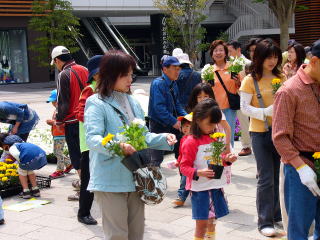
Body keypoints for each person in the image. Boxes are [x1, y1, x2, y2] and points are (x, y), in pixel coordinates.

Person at [84, 50, 177, 240]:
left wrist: (164, 138)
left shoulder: (133, 102)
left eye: (131, 74)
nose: (130, 79)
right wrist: (119, 146)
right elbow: (92, 138)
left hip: (136, 176)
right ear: (110, 75)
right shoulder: (96, 102)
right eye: (125, 74)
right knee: (117, 234)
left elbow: (142, 135)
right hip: (110, 178)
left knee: (136, 232)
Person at [272, 39, 320, 240]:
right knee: (299, 229)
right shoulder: (289, 90)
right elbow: (280, 137)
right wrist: (301, 168)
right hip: (302, 166)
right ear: (315, 61)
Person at [239, 39, 286, 237]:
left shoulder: (281, 77)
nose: (272, 61)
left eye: (275, 57)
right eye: (268, 56)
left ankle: (277, 215)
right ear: (259, 57)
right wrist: (265, 111)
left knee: (277, 176)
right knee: (265, 178)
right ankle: (264, 221)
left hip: (280, 133)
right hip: (259, 133)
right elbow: (244, 107)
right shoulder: (250, 80)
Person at [180, 99, 237, 240]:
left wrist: (228, 160)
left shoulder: (215, 138)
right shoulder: (191, 141)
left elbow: (219, 160)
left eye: (215, 124)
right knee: (201, 224)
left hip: (215, 186)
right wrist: (197, 172)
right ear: (198, 120)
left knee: (212, 221)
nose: (213, 127)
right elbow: (183, 167)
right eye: (210, 124)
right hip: (200, 189)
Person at [51, 46, 88, 201]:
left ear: (57, 60)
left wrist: (58, 120)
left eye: (55, 63)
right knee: (88, 155)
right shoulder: (85, 69)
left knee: (76, 156)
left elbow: (63, 101)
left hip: (73, 121)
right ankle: (91, 187)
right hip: (88, 118)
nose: (56, 66)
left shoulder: (64, 74)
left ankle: (83, 191)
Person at [75, 55, 102, 225]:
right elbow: (80, 113)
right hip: (89, 144)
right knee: (88, 180)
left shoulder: (103, 89)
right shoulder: (90, 90)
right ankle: (83, 213)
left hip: (100, 142)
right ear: (96, 74)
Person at [148, 56, 187, 166]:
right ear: (165, 69)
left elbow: (177, 104)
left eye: (179, 68)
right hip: (159, 125)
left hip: (172, 123)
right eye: (175, 68)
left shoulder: (173, 83)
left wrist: (187, 117)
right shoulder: (158, 83)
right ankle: (154, 182)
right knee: (156, 159)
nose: (178, 71)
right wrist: (174, 121)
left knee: (181, 155)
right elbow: (159, 108)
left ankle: (184, 183)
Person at [209, 40, 241, 148]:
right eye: (215, 50)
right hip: (214, 109)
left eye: (221, 50)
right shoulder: (208, 70)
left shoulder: (233, 67)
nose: (218, 53)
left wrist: (238, 82)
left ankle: (228, 161)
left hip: (229, 108)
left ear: (225, 53)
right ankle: (216, 161)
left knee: (228, 135)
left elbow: (240, 86)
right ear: (212, 54)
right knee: (214, 136)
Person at [186, 83, 231, 153]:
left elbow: (227, 128)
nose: (202, 99)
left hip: (218, 144)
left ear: (211, 96)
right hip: (202, 145)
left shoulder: (215, 110)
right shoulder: (196, 112)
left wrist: (227, 146)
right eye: (199, 97)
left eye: (205, 96)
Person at [0, 134, 47, 199]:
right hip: (41, 156)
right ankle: (36, 190)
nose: (5, 150)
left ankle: (26, 191)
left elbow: (16, 154)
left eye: (4, 148)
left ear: (6, 145)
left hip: (29, 159)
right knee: (30, 171)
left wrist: (19, 162)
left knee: (21, 172)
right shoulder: (21, 144)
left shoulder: (12, 148)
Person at [227, 40, 252, 156]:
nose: (229, 53)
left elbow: (251, 82)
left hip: (243, 95)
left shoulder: (247, 63)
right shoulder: (230, 63)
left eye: (230, 51)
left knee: (243, 121)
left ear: (238, 50)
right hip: (232, 95)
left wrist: (239, 82)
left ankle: (246, 146)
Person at [46, 89, 72, 179]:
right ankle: (69, 164)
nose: (53, 103)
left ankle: (59, 170)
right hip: (57, 134)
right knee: (57, 152)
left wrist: (52, 122)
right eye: (52, 102)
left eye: (54, 101)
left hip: (60, 134)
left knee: (58, 152)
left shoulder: (62, 110)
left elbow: (64, 123)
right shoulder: (58, 109)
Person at [172, 113, 193, 207]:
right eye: (183, 126)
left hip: (195, 166)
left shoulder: (196, 139)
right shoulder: (183, 138)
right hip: (185, 165)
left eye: (188, 126)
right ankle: (181, 198)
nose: (185, 128)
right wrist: (178, 161)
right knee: (183, 181)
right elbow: (181, 153)